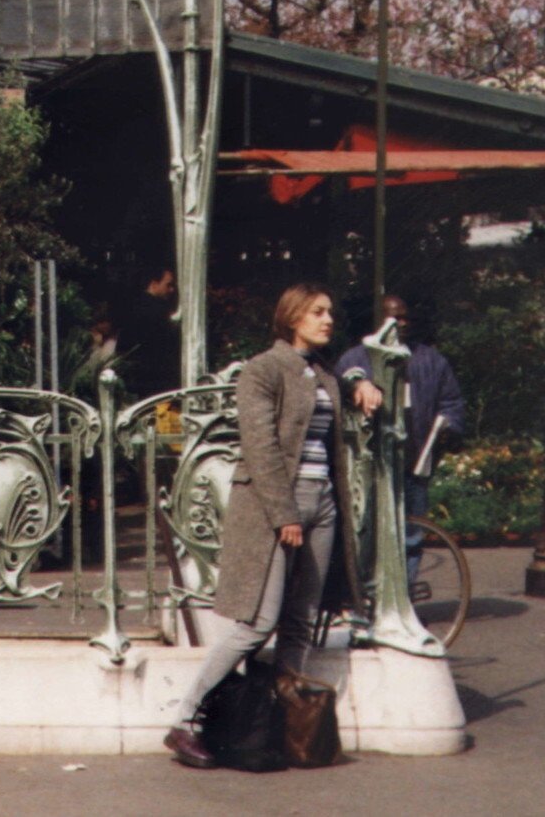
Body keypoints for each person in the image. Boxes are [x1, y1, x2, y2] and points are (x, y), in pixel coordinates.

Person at [164, 282, 379, 769]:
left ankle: (286, 723)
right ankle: (185, 719)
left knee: (302, 619)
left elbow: (348, 374)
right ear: (292, 317)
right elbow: (260, 447)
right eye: (317, 312)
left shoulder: (322, 370)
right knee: (257, 623)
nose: (328, 319)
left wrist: (362, 381)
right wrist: (283, 513)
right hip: (273, 507)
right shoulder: (263, 370)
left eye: (329, 312)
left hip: (322, 503)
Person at [336, 295, 466, 582]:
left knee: (411, 536)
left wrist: (449, 430)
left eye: (405, 317)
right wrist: (358, 384)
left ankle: (404, 604)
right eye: (392, 317)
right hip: (371, 466)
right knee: (368, 534)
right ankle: (369, 602)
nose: (400, 324)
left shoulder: (431, 361)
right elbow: (342, 382)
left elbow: (451, 402)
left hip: (413, 464)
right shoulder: (356, 358)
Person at [115, 267, 181, 397]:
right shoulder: (158, 310)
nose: (171, 290)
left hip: (134, 377)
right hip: (155, 379)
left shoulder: (133, 306)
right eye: (168, 285)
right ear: (154, 284)